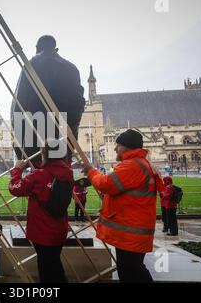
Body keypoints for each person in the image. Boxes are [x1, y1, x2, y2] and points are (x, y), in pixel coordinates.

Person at [83, 129, 164, 283]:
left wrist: (90, 171)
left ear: (126, 147)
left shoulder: (132, 165)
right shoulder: (140, 164)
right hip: (133, 231)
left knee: (132, 273)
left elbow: (106, 184)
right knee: (132, 270)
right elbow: (123, 192)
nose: (115, 149)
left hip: (131, 232)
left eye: (118, 145)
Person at [11, 35, 85, 163]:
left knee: (38, 172)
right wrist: (72, 128)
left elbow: (19, 101)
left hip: (35, 130)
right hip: (63, 129)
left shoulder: (31, 65)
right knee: (61, 170)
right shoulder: (71, 68)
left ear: (37, 48)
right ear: (55, 48)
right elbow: (78, 103)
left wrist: (17, 130)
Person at [9, 142, 74, 283]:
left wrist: (17, 170)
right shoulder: (68, 173)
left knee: (48, 272)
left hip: (42, 231)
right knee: (55, 265)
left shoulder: (38, 175)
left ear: (46, 154)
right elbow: (50, 176)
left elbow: (15, 188)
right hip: (59, 230)